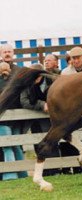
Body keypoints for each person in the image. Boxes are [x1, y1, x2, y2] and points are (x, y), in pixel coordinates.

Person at [20, 63, 61, 176]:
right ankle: (45, 171)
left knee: (53, 142)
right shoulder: (26, 84)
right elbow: (24, 101)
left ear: (41, 75)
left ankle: (56, 169)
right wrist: (41, 105)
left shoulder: (52, 81)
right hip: (36, 120)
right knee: (39, 144)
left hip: (53, 119)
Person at [0, 44, 28, 180]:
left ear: (13, 53)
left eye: (9, 51)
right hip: (3, 116)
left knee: (16, 144)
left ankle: (18, 175)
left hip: (17, 116)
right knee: (7, 144)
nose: (7, 54)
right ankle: (12, 175)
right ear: (1, 54)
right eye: (4, 52)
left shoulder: (19, 71)